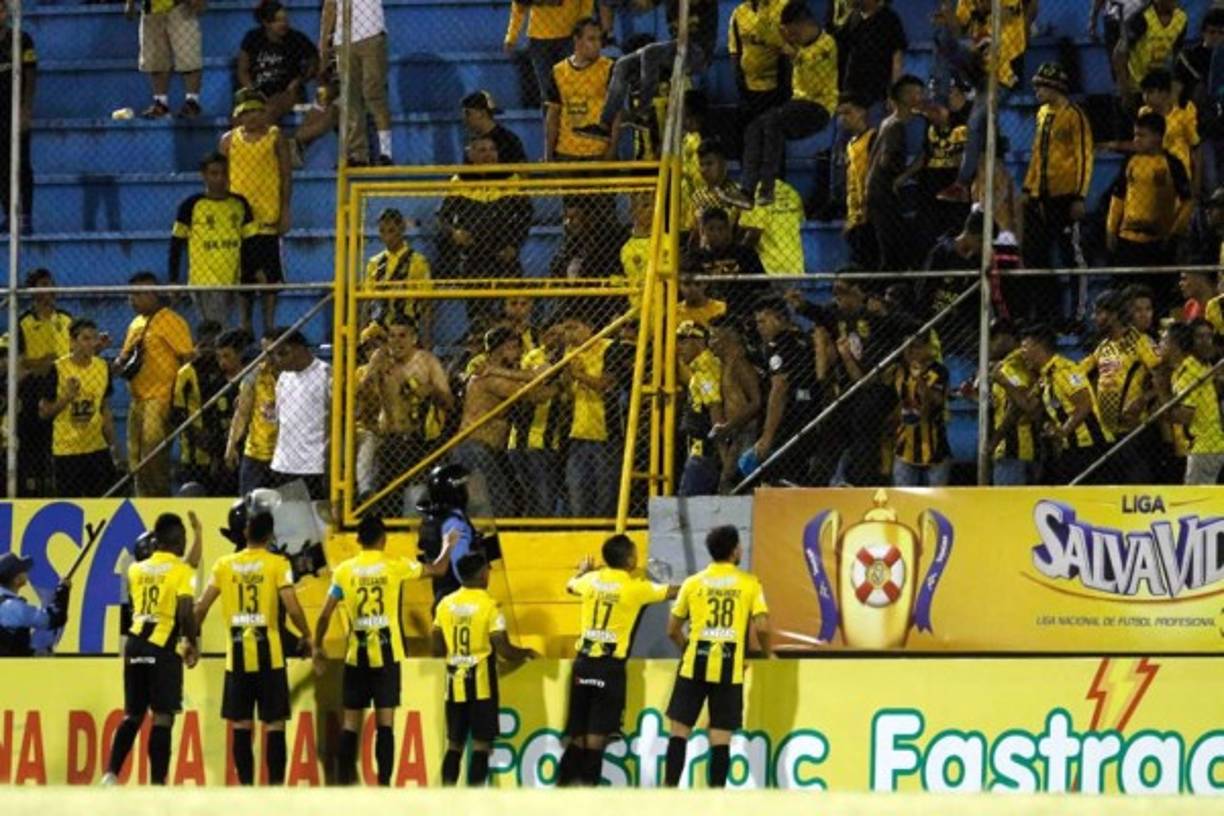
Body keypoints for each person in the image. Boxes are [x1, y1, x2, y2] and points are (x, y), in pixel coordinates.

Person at [313, 514, 454, 786]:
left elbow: (323, 616)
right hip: (388, 656)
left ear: (358, 540)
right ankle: (384, 785)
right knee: (385, 724)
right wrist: (447, 545)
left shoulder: (344, 571)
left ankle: (342, 785)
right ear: (383, 538)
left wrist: (317, 646)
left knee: (350, 723)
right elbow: (439, 570)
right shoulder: (394, 566)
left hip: (357, 656)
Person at [194, 510, 312, 786]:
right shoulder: (278, 564)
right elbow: (292, 606)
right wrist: (307, 634)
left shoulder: (224, 565)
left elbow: (200, 607)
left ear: (245, 533)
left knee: (241, 726)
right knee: (274, 725)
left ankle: (246, 789)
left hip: (237, 660)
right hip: (270, 658)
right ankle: (274, 790)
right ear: (271, 535)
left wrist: (189, 639)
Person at [558, 535, 677, 786]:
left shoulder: (590, 581)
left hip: (583, 664)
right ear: (631, 559)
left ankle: (562, 791)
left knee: (577, 734)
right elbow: (672, 591)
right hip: (609, 668)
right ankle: (588, 794)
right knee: (597, 738)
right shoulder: (635, 587)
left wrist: (583, 572)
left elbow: (570, 586)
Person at [663, 525, 770, 788]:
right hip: (729, 670)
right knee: (721, 738)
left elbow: (672, 630)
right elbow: (763, 625)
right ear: (735, 551)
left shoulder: (692, 582)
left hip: (693, 668)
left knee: (679, 733)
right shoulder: (749, 583)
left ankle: (666, 795)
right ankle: (716, 800)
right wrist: (766, 653)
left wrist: (688, 648)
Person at [100, 514, 201, 786]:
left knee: (132, 714)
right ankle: (157, 784)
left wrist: (198, 535)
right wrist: (191, 642)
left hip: (135, 646)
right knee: (163, 717)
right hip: (162, 649)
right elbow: (184, 611)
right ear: (179, 541)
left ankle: (110, 774)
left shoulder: (135, 570)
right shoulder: (182, 572)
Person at [721, 2, 837, 210]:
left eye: (793, 34)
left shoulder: (826, 45)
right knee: (754, 127)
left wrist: (788, 49)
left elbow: (810, 75)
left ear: (804, 25)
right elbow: (776, 39)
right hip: (797, 105)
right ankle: (747, 191)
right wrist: (772, 34)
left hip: (818, 106)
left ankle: (767, 186)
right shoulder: (798, 44)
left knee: (773, 122)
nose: (792, 39)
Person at [433, 553, 536, 787]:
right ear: (482, 574)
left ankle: (445, 798)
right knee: (481, 745)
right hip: (482, 687)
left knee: (454, 745)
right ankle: (473, 802)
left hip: (454, 686)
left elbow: (436, 647)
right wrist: (526, 653)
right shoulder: (489, 606)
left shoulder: (445, 604)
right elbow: (504, 650)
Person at [361, 318, 454, 513]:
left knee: (415, 503)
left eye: (402, 335)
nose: (396, 341)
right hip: (388, 440)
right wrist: (372, 373)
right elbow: (360, 397)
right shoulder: (380, 359)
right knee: (387, 504)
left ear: (414, 338)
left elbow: (449, 403)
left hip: (419, 442)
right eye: (391, 336)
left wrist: (429, 390)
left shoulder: (427, 361)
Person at [1021, 63, 1093, 318]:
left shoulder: (1074, 114)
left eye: (1041, 85)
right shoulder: (1042, 113)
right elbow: (1037, 155)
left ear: (1055, 87)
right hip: (1040, 196)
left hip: (1065, 197)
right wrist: (1029, 188)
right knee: (1036, 256)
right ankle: (1045, 313)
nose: (1037, 90)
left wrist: (1079, 195)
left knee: (1071, 256)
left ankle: (1077, 315)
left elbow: (1084, 156)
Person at [117, 272, 194, 497]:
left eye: (139, 294)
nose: (134, 300)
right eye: (131, 295)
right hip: (137, 398)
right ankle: (143, 499)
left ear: (154, 294)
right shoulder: (135, 324)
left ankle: (160, 498)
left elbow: (187, 357)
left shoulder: (170, 320)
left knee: (153, 454)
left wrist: (179, 397)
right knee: (135, 458)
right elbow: (126, 357)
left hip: (160, 397)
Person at [221, 92, 292, 336]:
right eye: (247, 112)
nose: (253, 117)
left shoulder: (275, 137)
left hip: (268, 215)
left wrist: (285, 210)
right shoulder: (229, 141)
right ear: (239, 116)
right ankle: (245, 325)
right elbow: (221, 177)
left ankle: (269, 324)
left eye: (257, 111)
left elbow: (285, 175)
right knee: (244, 273)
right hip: (238, 218)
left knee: (269, 275)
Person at [436, 135, 533, 305]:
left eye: (492, 150)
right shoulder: (459, 180)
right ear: (471, 155)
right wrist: (455, 233)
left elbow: (526, 215)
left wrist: (514, 245)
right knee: (478, 310)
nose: (489, 155)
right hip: (474, 256)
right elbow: (443, 217)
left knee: (510, 307)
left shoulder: (510, 178)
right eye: (482, 150)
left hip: (504, 253)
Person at [1018, 323, 1114, 485]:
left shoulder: (1063, 370)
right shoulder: (1045, 376)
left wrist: (1062, 431)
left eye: (1025, 347)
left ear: (1039, 346)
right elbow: (1030, 408)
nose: (1022, 353)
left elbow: (1084, 405)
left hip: (1090, 446)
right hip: (1072, 448)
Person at [169, 152, 257, 326]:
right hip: (204, 280)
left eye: (224, 173)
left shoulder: (239, 204)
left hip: (234, 278)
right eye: (214, 173)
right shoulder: (192, 205)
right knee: (214, 328)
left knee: (228, 330)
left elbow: (251, 242)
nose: (220, 178)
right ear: (204, 175)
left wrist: (253, 272)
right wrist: (173, 278)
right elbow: (176, 244)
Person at [1106, 113, 1193, 287]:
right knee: (1125, 291)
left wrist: (1174, 233)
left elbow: (1187, 202)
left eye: (1141, 135)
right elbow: (1118, 197)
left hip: (1159, 242)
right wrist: (1110, 229)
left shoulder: (1172, 164)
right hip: (1128, 240)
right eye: (1135, 135)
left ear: (1158, 137)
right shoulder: (1130, 161)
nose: (1136, 140)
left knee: (1158, 291)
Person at [454, 327, 533, 517]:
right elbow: (533, 394)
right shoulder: (488, 377)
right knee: (496, 509)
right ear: (498, 350)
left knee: (509, 503)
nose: (519, 354)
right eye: (513, 348)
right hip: (475, 449)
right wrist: (546, 375)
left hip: (488, 451)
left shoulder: (497, 373)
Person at [38, 318, 120, 498]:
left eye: (94, 339)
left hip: (96, 448)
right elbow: (44, 412)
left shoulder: (102, 367)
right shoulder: (57, 369)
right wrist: (66, 398)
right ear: (72, 341)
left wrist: (113, 444)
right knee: (71, 503)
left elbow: (104, 409)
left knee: (104, 501)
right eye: (86, 338)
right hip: (67, 450)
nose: (91, 344)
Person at [563, 310, 631, 517]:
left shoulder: (610, 348)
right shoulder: (570, 353)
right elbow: (566, 395)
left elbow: (607, 384)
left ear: (589, 327)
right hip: (577, 435)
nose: (569, 334)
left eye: (574, 327)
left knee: (605, 500)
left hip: (605, 435)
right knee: (578, 500)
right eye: (566, 328)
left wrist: (578, 375)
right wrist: (568, 377)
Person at [746, 296, 816, 485]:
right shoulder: (805, 338)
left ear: (779, 318)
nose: (759, 327)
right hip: (809, 414)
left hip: (786, 421)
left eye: (763, 321)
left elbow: (779, 386)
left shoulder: (777, 345)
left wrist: (767, 436)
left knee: (776, 480)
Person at [16, 268, 70, 497]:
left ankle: (58, 489)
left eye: (51, 283)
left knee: (57, 444)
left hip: (60, 386)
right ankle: (32, 490)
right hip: (32, 389)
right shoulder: (24, 322)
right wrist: (42, 362)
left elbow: (73, 353)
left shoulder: (66, 319)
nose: (49, 289)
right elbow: (18, 362)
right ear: (33, 291)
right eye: (43, 284)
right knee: (32, 446)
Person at [320, 0, 393, 165]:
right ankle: (358, 153)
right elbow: (330, 6)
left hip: (371, 33)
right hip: (344, 38)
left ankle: (385, 151)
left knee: (373, 92)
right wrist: (324, 43)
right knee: (350, 96)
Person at [866, 75, 926, 271]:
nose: (920, 96)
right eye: (916, 92)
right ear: (906, 96)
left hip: (878, 189)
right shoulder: (897, 125)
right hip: (888, 191)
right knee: (893, 245)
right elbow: (885, 159)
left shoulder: (887, 122)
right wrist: (902, 176)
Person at [172, 322, 238, 494]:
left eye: (213, 346)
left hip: (224, 451)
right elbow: (177, 413)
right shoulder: (186, 373)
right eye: (204, 345)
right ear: (196, 344)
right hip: (195, 455)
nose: (208, 350)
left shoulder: (226, 371)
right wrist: (198, 436)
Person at [1157, 321, 1224, 484]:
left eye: (1164, 341)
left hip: (1205, 447)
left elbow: (1185, 416)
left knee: (1197, 502)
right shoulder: (1189, 368)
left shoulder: (1188, 372)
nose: (1160, 345)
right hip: (1207, 444)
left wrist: (1161, 393)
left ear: (1175, 345)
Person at [268, 330, 330, 499]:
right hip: (283, 463)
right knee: (288, 520)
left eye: (282, 353)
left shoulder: (326, 374)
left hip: (313, 464)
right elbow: (280, 418)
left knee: (315, 519)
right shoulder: (283, 378)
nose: (278, 360)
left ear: (299, 349)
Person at [544, 18, 616, 163]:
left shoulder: (609, 68)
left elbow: (617, 113)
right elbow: (553, 115)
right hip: (565, 151)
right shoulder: (558, 71)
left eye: (599, 39)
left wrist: (612, 148)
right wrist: (548, 153)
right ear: (577, 41)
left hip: (598, 151)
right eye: (591, 39)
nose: (598, 45)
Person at [237, 1, 319, 124]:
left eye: (285, 19)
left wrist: (300, 79)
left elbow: (314, 61)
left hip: (287, 91)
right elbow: (242, 70)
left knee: (270, 109)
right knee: (240, 115)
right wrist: (252, 90)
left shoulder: (296, 39)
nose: (284, 24)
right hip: (258, 90)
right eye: (278, 21)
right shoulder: (253, 38)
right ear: (266, 23)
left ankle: (262, 142)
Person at [504, 0, 594, 111]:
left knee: (573, 87)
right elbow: (519, 6)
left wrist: (582, 26)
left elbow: (586, 3)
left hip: (569, 35)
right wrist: (511, 37)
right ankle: (551, 126)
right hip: (539, 39)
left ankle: (574, 124)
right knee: (548, 92)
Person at [364, 208, 433, 346]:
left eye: (391, 231)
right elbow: (366, 302)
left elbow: (426, 304)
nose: (387, 237)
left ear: (401, 229)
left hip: (406, 329)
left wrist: (426, 338)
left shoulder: (417, 261)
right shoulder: (374, 263)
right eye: (382, 231)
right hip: (378, 329)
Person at [980, 318, 1037, 486]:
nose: (988, 345)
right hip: (1025, 447)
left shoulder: (1012, 364)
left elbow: (1017, 405)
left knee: (1008, 506)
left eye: (993, 339)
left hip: (1013, 448)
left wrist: (994, 441)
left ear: (1007, 338)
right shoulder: (1018, 362)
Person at [891, 330, 951, 487]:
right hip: (904, 449)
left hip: (935, 449)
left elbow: (935, 403)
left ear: (927, 348)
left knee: (935, 503)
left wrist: (919, 380)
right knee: (904, 502)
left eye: (914, 347)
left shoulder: (939, 371)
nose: (909, 352)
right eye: (906, 347)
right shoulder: (900, 370)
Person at [708, 317, 762, 491]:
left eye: (713, 337)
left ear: (727, 337)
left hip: (746, 431)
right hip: (736, 431)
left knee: (735, 484)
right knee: (728, 484)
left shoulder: (740, 363)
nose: (710, 343)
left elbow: (756, 401)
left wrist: (730, 425)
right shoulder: (726, 365)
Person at [127, 0, 204, 118]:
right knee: (155, 59)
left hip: (180, 5)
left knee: (188, 56)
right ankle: (161, 103)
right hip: (151, 8)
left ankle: (192, 102)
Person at [227, 329, 281, 495]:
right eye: (264, 352)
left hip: (285, 454)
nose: (267, 357)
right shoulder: (254, 375)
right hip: (256, 453)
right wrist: (232, 444)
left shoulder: (294, 375)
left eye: (272, 352)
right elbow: (242, 414)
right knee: (249, 504)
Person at [675, 321, 725, 496]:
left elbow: (714, 407)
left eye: (684, 341)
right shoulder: (700, 367)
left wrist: (722, 453)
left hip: (703, 450)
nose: (679, 347)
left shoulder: (705, 368)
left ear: (699, 342)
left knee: (688, 503)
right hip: (700, 448)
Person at [0, 2, 34, 234]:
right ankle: (8, 216)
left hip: (14, 112)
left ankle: (25, 216)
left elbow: (31, 76)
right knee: (1, 167)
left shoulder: (22, 39)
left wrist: (25, 110)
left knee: (21, 165)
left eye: (1, 9)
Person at [728, 0, 786, 131]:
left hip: (776, 86)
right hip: (749, 88)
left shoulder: (781, 7)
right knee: (751, 129)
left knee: (772, 129)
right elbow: (735, 50)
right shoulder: (739, 12)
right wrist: (739, 79)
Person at [1116, 0, 1188, 106]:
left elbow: (1177, 53)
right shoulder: (1142, 18)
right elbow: (1118, 55)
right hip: (1138, 87)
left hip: (1161, 87)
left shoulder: (1181, 18)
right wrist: (1125, 90)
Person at [1136, 67, 1200, 185]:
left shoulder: (1183, 113)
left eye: (1150, 92)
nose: (1145, 97)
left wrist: (1196, 183)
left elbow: (1195, 148)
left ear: (1164, 93)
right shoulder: (1143, 113)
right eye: (1143, 93)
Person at [0, 553, 70, 657]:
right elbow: (54, 618)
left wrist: (32, 653)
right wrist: (63, 590)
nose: (26, 572)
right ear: (17, 580)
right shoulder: (14, 608)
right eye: (22, 570)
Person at [838, 94, 878, 269]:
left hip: (871, 213)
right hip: (857, 215)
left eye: (847, 112)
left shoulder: (873, 137)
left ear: (862, 112)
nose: (843, 118)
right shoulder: (851, 143)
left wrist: (867, 210)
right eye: (840, 114)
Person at [739, 174, 805, 276]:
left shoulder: (757, 192)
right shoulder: (791, 191)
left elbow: (754, 233)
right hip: (795, 265)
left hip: (769, 266)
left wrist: (737, 253)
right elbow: (800, 223)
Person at [461, 91, 528, 164]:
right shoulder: (472, 140)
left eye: (467, 113)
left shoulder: (508, 140)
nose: (464, 118)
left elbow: (522, 170)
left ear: (481, 113)